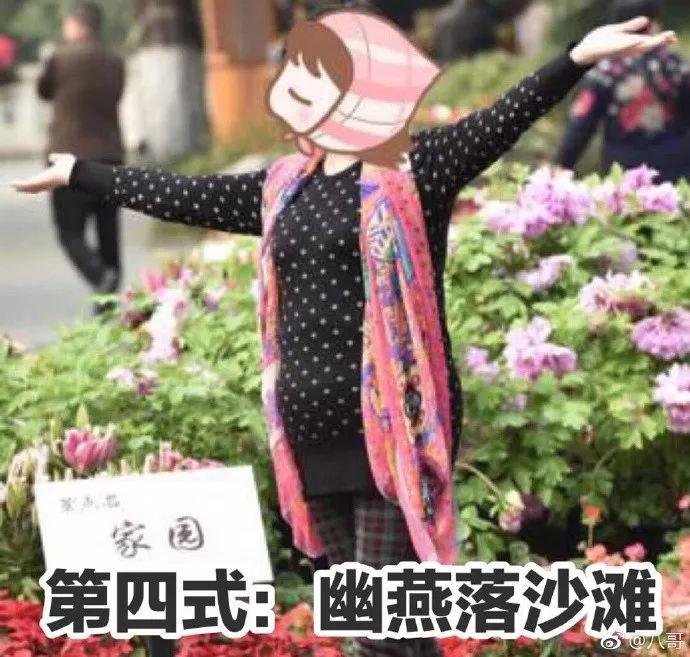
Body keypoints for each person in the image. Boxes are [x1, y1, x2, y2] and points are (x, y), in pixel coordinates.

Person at [14, 9, 674, 656]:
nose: (291, 87)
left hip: (389, 431)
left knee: (380, 630)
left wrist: (577, 58)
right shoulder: (281, 188)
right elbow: (183, 194)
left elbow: (502, 119)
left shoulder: (417, 170)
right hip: (310, 433)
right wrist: (80, 173)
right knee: (387, 626)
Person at [38, 2, 125, 295]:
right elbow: (117, 94)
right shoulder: (114, 61)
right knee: (108, 232)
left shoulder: (59, 58)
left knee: (69, 231)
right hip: (109, 155)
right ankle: (109, 300)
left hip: (67, 157)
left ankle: (99, 275)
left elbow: (43, 91)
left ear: (77, 26)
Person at [557, 0, 690, 182]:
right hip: (676, 171)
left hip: (623, 174)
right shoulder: (675, 66)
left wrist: (563, 165)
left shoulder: (606, 71)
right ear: (654, 24)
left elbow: (581, 125)